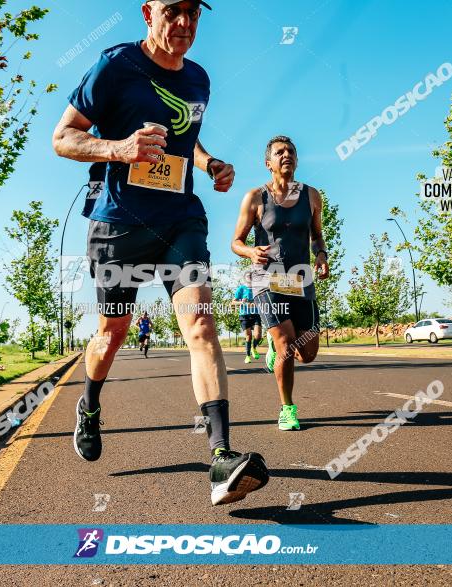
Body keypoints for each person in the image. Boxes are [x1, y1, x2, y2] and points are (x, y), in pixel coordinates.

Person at [52, 0, 268, 505]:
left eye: (194, 13)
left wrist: (209, 161)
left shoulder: (199, 80)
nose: (184, 23)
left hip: (179, 219)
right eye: (173, 11)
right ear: (148, 12)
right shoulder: (115, 64)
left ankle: (221, 459)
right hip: (119, 223)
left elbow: (184, 139)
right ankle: (89, 405)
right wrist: (119, 149)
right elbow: (63, 138)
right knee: (113, 333)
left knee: (201, 323)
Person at [231, 136, 330, 431]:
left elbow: (317, 235)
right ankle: (288, 408)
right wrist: (250, 251)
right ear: (268, 163)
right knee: (286, 343)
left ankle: (275, 351)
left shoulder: (312, 195)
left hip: (300, 280)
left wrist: (321, 255)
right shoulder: (255, 198)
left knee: (307, 353)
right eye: (280, 152)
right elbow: (236, 241)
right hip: (267, 280)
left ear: (296, 160)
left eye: (291, 151)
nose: (286, 155)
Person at [232, 271, 262, 364]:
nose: (250, 278)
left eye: (251, 276)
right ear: (245, 278)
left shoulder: (258, 288)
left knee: (258, 335)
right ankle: (248, 356)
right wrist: (242, 302)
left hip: (256, 314)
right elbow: (233, 302)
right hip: (244, 315)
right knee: (248, 336)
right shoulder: (241, 288)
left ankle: (254, 348)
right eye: (248, 276)